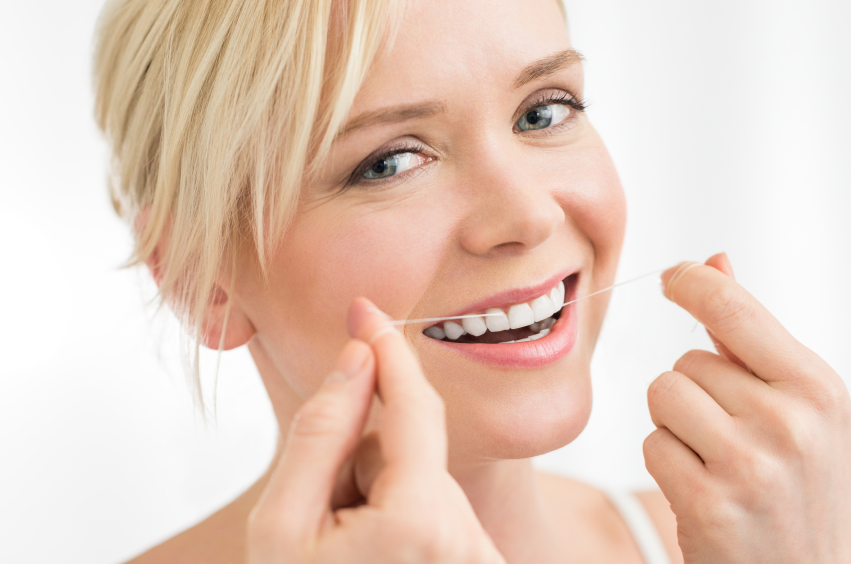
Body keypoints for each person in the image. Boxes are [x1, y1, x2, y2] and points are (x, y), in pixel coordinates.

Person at [93, 0, 851, 562]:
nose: (526, 213)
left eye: (543, 112)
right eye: (389, 161)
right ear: (203, 283)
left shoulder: (752, 541)